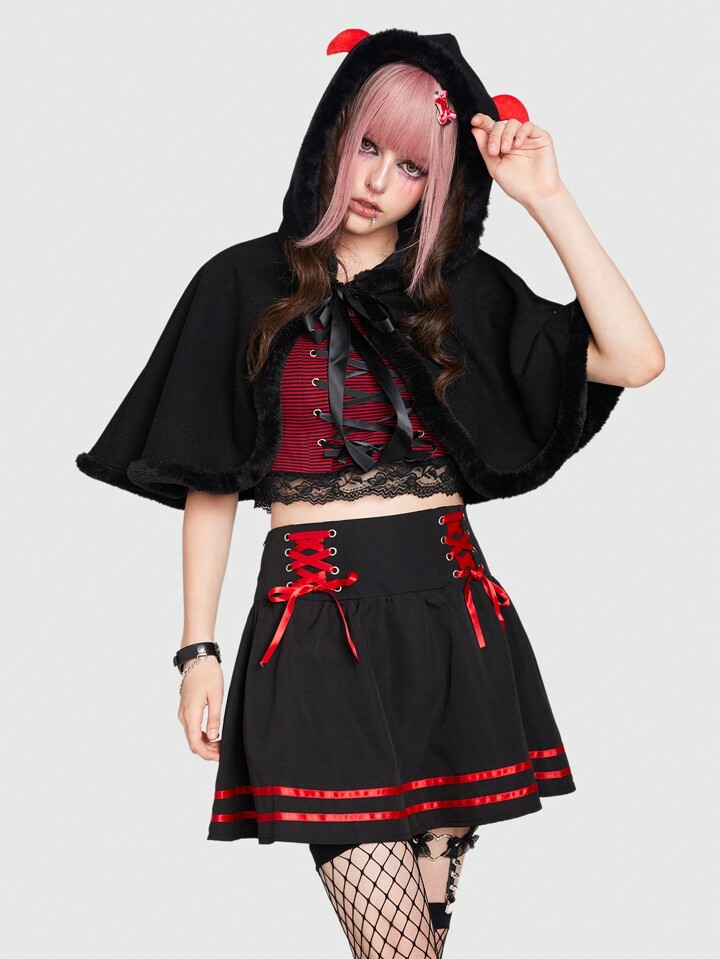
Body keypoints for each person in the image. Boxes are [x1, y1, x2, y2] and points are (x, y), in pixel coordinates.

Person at [75, 27, 664, 959]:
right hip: (313, 624)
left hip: (452, 620)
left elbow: (635, 357)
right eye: (368, 146)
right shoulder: (240, 282)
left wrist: (547, 198)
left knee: (417, 948)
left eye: (413, 166)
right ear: (332, 136)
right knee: (396, 946)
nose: (379, 180)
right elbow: (211, 482)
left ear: (440, 185)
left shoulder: (458, 290)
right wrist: (197, 648)